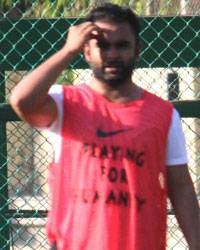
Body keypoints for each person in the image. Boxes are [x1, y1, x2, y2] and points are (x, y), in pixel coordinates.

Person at [10, 3, 200, 250]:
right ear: (87, 52)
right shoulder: (64, 103)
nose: (112, 54)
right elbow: (20, 101)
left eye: (122, 45)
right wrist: (68, 50)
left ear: (137, 51)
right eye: (102, 45)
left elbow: (181, 186)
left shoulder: (164, 114)